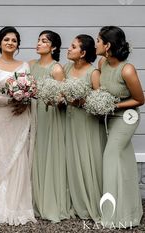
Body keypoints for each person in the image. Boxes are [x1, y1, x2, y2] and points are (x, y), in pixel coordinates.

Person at [0, 26, 36, 225]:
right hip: (1, 116)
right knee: (3, 157)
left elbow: (30, 90)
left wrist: (24, 102)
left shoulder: (24, 66)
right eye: (6, 39)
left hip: (20, 116)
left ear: (18, 45)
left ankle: (20, 206)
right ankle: (2, 206)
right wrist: (8, 101)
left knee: (19, 157)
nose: (10, 43)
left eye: (14, 40)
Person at [96, 26, 144, 228]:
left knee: (111, 156)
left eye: (98, 41)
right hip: (110, 117)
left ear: (107, 45)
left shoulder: (127, 69)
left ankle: (114, 216)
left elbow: (140, 99)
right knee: (123, 161)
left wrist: (113, 105)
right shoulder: (102, 63)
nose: (96, 44)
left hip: (128, 117)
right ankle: (130, 211)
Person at [30, 30, 73, 222]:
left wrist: (53, 100)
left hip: (50, 115)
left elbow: (63, 100)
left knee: (49, 154)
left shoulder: (57, 69)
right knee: (35, 154)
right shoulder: (31, 65)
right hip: (32, 114)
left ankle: (51, 202)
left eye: (44, 41)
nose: (39, 43)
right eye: (39, 40)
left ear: (53, 47)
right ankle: (35, 201)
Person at [64, 34, 106, 221]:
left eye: (73, 47)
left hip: (87, 123)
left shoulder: (93, 73)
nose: (68, 49)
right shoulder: (65, 68)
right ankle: (76, 201)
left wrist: (81, 101)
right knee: (72, 159)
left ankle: (93, 202)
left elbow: (100, 104)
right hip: (70, 121)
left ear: (82, 53)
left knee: (88, 159)